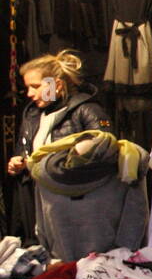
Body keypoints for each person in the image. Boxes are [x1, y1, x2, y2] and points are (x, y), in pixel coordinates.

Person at [7, 50, 111, 245]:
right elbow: (26, 148)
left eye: (36, 86)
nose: (29, 94)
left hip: (78, 206)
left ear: (58, 84)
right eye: (28, 87)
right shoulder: (32, 114)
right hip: (40, 205)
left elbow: (104, 152)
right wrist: (18, 160)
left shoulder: (87, 110)